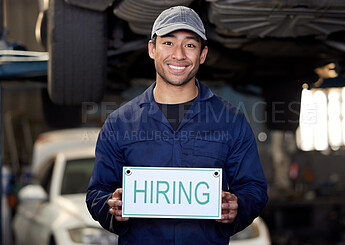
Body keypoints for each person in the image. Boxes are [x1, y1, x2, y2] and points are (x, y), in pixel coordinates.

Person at [86, 5, 268, 244]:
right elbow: (96, 193)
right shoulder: (120, 123)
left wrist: (238, 206)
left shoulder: (231, 121)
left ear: (202, 55)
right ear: (152, 49)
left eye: (190, 45)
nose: (179, 55)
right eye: (168, 43)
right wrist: (111, 206)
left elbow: (254, 188)